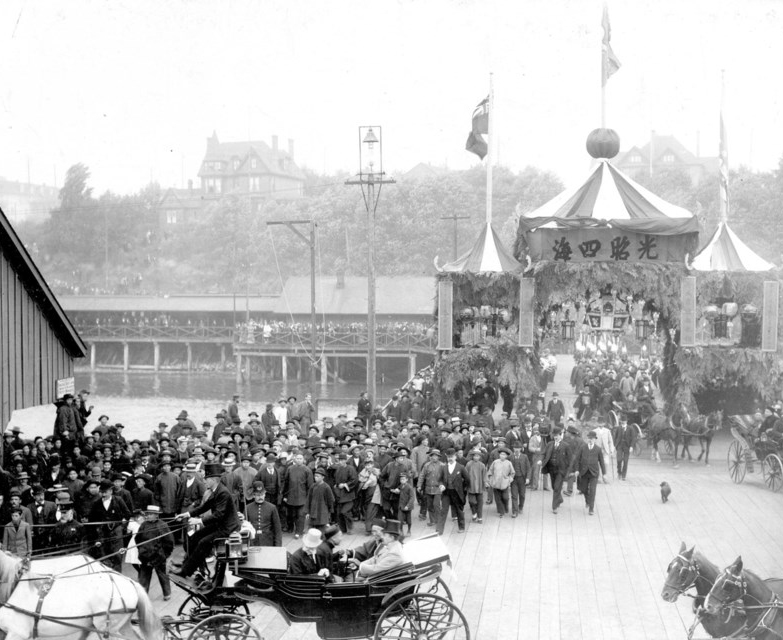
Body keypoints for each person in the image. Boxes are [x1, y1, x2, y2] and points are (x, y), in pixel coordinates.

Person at [172, 463, 241, 586]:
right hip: (220, 524)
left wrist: (199, 521)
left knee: (203, 542)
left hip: (228, 528)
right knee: (193, 538)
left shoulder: (222, 493)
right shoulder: (216, 490)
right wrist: (187, 515)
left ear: (214, 480)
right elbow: (204, 507)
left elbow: (219, 514)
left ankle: (186, 571)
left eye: (206, 479)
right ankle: (191, 566)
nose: (204, 481)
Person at [88, 479, 131, 571]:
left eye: (105, 492)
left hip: (116, 531)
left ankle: (118, 575)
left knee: (117, 555)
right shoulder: (97, 503)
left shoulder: (118, 500)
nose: (103, 495)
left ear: (111, 491)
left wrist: (122, 524)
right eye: (102, 492)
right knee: (104, 556)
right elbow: (92, 519)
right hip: (103, 533)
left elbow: (127, 513)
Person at [136, 505, 174, 600]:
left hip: (159, 556)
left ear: (156, 515)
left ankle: (167, 593)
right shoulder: (143, 525)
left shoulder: (162, 525)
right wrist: (142, 550)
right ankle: (143, 596)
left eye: (150, 514)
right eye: (147, 514)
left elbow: (169, 542)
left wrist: (164, 555)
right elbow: (138, 539)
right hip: (145, 556)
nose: (147, 516)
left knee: (162, 575)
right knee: (144, 576)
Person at [569, 430, 606, 515]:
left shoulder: (598, 449)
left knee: (592, 490)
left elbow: (602, 462)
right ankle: (587, 501)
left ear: (595, 439)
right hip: (584, 472)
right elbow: (577, 460)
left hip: (594, 473)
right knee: (584, 489)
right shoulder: (583, 447)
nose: (590, 440)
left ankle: (591, 509)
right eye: (589, 438)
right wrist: (577, 470)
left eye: (592, 438)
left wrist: (604, 474)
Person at [437, 448, 470, 534]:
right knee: (443, 511)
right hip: (446, 492)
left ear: (455, 456)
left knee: (459, 510)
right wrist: (441, 485)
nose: (450, 459)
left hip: (457, 493)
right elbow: (439, 479)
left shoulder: (461, 467)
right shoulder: (443, 467)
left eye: (451, 456)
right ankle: (439, 530)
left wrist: (462, 490)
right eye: (448, 457)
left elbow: (468, 480)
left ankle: (461, 527)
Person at [541, 426, 572, 514]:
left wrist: (570, 471)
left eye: (557, 435)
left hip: (561, 470)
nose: (555, 437)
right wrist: (541, 460)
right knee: (554, 487)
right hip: (551, 469)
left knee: (557, 487)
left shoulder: (566, 446)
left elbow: (570, 459)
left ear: (560, 435)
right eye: (554, 435)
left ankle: (554, 507)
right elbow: (543, 453)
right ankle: (560, 499)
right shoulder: (549, 444)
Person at [282, 454, 313, 539]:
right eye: (297, 458)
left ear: (303, 460)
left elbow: (310, 485)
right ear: (294, 459)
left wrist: (308, 497)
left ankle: (299, 531)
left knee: (300, 514)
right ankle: (291, 527)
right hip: (291, 495)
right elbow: (286, 482)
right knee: (291, 514)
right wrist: (285, 495)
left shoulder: (307, 470)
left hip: (302, 496)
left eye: (300, 458)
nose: (299, 460)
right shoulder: (290, 469)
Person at [417, 449, 446, 528]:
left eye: (436, 456)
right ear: (430, 457)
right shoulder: (426, 465)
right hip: (428, 488)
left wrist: (443, 485)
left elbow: (445, 477)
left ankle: (439, 520)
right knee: (430, 505)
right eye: (433, 456)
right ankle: (432, 521)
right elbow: (422, 476)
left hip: (437, 489)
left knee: (436, 505)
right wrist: (419, 485)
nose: (434, 457)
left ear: (439, 457)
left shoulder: (442, 465)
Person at [487, 448, 514, 517]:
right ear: (499, 455)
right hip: (496, 483)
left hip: (505, 483)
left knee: (505, 497)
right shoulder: (495, 462)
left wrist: (510, 479)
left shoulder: (508, 463)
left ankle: (506, 506)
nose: (502, 456)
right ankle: (501, 512)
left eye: (504, 455)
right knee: (497, 498)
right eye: (501, 454)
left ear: (506, 456)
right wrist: (490, 479)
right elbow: (490, 471)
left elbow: (512, 473)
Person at [307, 468, 335, 532]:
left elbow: (330, 500)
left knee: (322, 531)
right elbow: (309, 499)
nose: (315, 478)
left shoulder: (326, 487)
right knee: (312, 531)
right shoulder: (313, 486)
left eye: (318, 476)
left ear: (323, 477)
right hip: (313, 512)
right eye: (315, 476)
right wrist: (307, 512)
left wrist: (330, 512)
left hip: (322, 512)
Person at [509, 443, 530, 517]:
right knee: (514, 495)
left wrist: (527, 478)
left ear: (521, 449)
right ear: (513, 449)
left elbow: (528, 468)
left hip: (522, 479)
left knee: (522, 495)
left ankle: (521, 506)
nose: (517, 450)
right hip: (513, 479)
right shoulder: (510, 457)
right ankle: (514, 511)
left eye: (518, 448)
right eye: (515, 448)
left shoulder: (525, 457)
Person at [613, 414, 637, 481]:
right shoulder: (618, 428)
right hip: (619, 446)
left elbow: (633, 438)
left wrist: (631, 446)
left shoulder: (630, 428)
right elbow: (615, 437)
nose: (623, 422)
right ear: (620, 421)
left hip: (627, 446)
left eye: (624, 421)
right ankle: (619, 473)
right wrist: (614, 446)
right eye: (622, 421)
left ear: (626, 421)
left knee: (625, 461)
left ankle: (624, 476)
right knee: (619, 460)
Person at [465, 449, 486, 523]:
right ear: (472, 456)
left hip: (479, 486)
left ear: (480, 457)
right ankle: (474, 513)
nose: (476, 457)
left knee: (480, 503)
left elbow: (484, 476)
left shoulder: (482, 465)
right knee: (472, 501)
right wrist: (466, 483)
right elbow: (465, 474)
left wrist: (485, 484)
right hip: (471, 486)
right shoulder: (469, 464)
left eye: (478, 456)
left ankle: (480, 517)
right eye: (475, 456)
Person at [124, 509, 144, 575]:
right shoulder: (132, 521)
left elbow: (128, 531)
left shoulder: (134, 521)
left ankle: (141, 571)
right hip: (135, 540)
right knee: (134, 558)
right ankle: (140, 571)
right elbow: (128, 531)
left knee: (136, 559)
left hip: (140, 539)